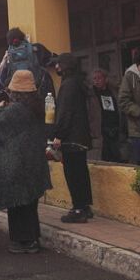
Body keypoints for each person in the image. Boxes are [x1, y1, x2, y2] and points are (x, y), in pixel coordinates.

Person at [0, 70, 53, 253]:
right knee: (31, 203)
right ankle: (33, 241)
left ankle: (19, 241)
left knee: (16, 203)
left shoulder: (14, 110)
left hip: (17, 162)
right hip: (34, 161)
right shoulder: (37, 107)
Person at [52, 54, 94, 223]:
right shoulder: (78, 83)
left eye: (58, 64)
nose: (56, 67)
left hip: (71, 138)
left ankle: (78, 208)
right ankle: (84, 206)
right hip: (81, 136)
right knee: (81, 172)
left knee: (73, 173)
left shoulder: (68, 85)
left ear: (64, 66)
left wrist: (58, 134)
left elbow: (64, 113)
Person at [88, 69, 125, 163]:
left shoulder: (114, 92)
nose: (96, 81)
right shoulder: (90, 94)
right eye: (94, 79)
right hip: (101, 131)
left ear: (105, 79)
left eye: (99, 78)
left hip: (115, 129)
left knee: (118, 158)